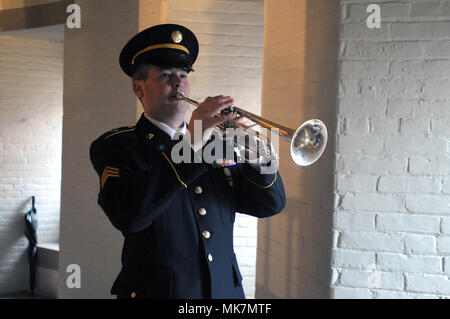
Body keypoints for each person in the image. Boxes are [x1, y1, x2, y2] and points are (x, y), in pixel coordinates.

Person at [89, 24, 286, 299]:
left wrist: (258, 157)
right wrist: (191, 144)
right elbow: (130, 216)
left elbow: (269, 205)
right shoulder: (117, 146)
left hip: (225, 293)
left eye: (183, 74)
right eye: (166, 75)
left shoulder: (218, 142)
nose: (178, 83)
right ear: (139, 88)